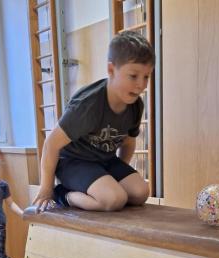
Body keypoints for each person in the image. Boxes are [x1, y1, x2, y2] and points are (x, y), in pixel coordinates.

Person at [33, 30, 155, 212]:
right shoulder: (87, 105)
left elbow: (128, 142)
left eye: (146, 76)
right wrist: (46, 188)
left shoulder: (135, 105)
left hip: (105, 160)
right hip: (73, 162)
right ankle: (64, 195)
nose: (141, 85)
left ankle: (106, 189)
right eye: (133, 76)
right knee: (114, 200)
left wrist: (117, 175)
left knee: (140, 193)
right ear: (111, 70)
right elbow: (51, 144)